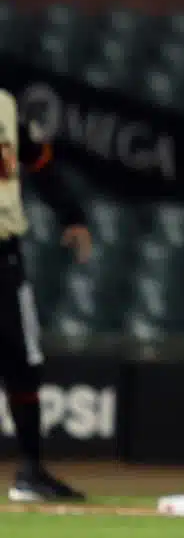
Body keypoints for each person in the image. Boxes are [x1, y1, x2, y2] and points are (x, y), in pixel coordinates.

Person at [0, 90, 91, 502]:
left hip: (5, 257)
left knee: (23, 361)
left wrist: (71, 213)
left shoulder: (4, 105)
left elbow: (38, 159)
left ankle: (31, 471)